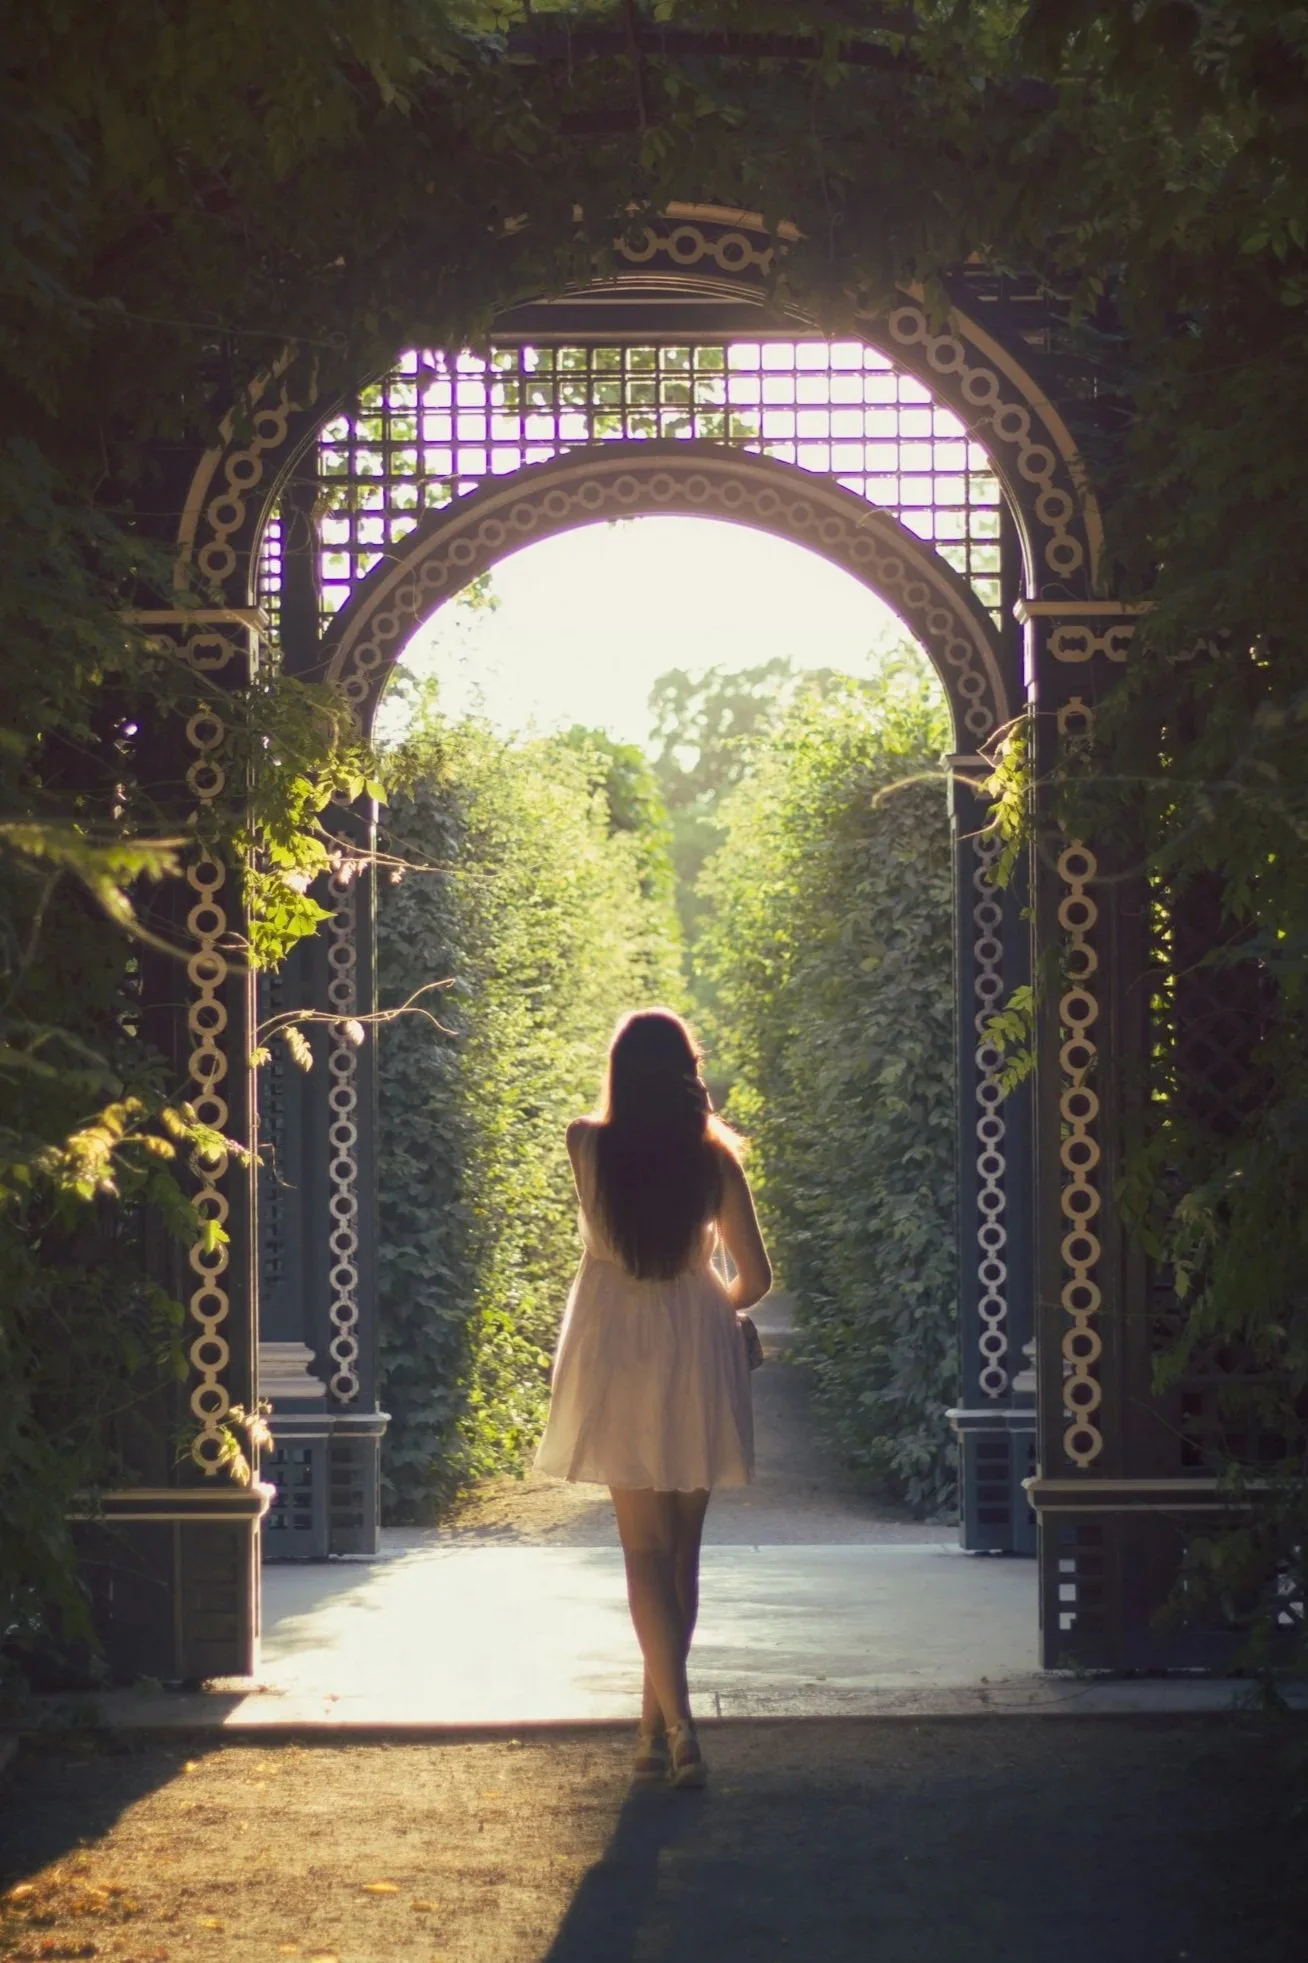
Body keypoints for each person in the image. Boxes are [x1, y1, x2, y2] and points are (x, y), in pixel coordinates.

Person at [535, 1007, 772, 1788]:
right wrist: (715, 1302)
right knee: (683, 1554)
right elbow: (757, 1279)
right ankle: (661, 1727)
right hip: (694, 1343)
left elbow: (608, 1224)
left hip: (616, 1347)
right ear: (686, 1072)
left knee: (641, 1550)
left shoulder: (584, 1143)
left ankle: (672, 1728)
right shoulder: (714, 1161)